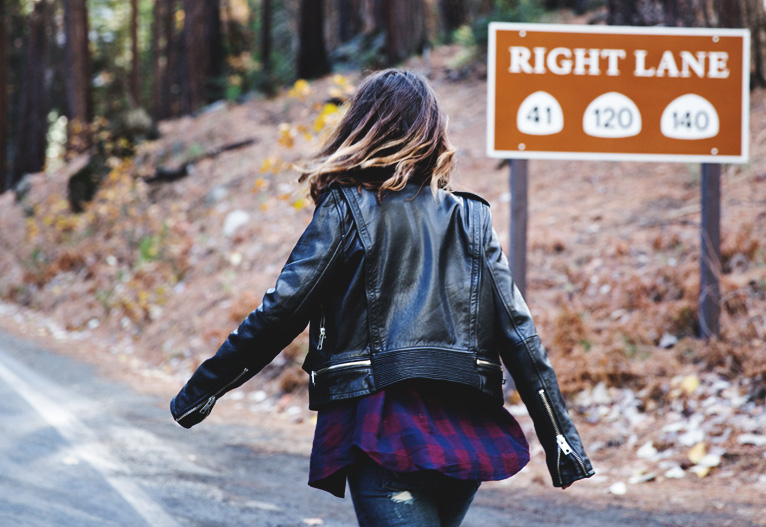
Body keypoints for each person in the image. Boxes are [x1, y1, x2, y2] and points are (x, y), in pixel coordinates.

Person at [171, 68, 594, 526]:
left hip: (384, 423)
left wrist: (203, 390)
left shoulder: (347, 208)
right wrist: (561, 440)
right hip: (464, 426)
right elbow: (521, 338)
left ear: (361, 128)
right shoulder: (472, 219)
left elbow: (281, 310)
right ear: (432, 132)